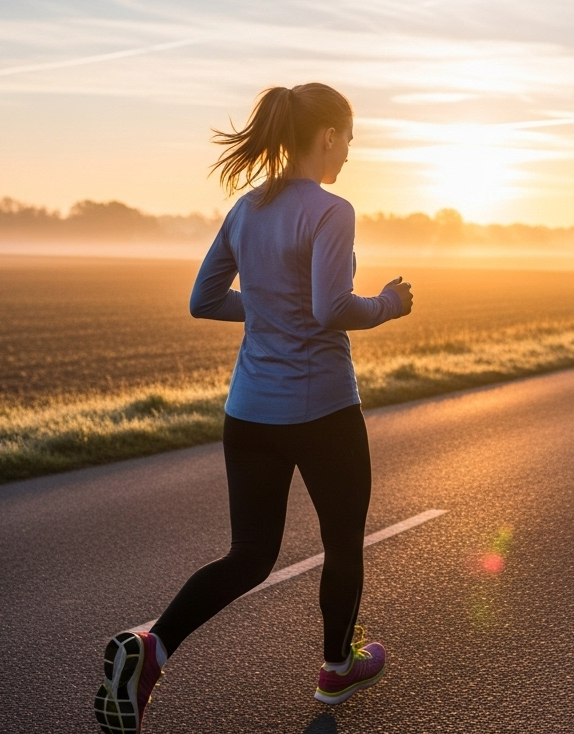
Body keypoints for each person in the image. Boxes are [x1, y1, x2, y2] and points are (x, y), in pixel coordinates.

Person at [93, 83, 414, 734]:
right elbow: (331, 309)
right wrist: (385, 304)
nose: (350, 153)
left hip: (250, 413)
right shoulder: (332, 211)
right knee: (342, 544)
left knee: (250, 555)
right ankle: (335, 668)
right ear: (327, 137)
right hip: (323, 409)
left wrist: (267, 307)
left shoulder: (246, 211)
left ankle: (154, 647)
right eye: (349, 139)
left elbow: (204, 299)